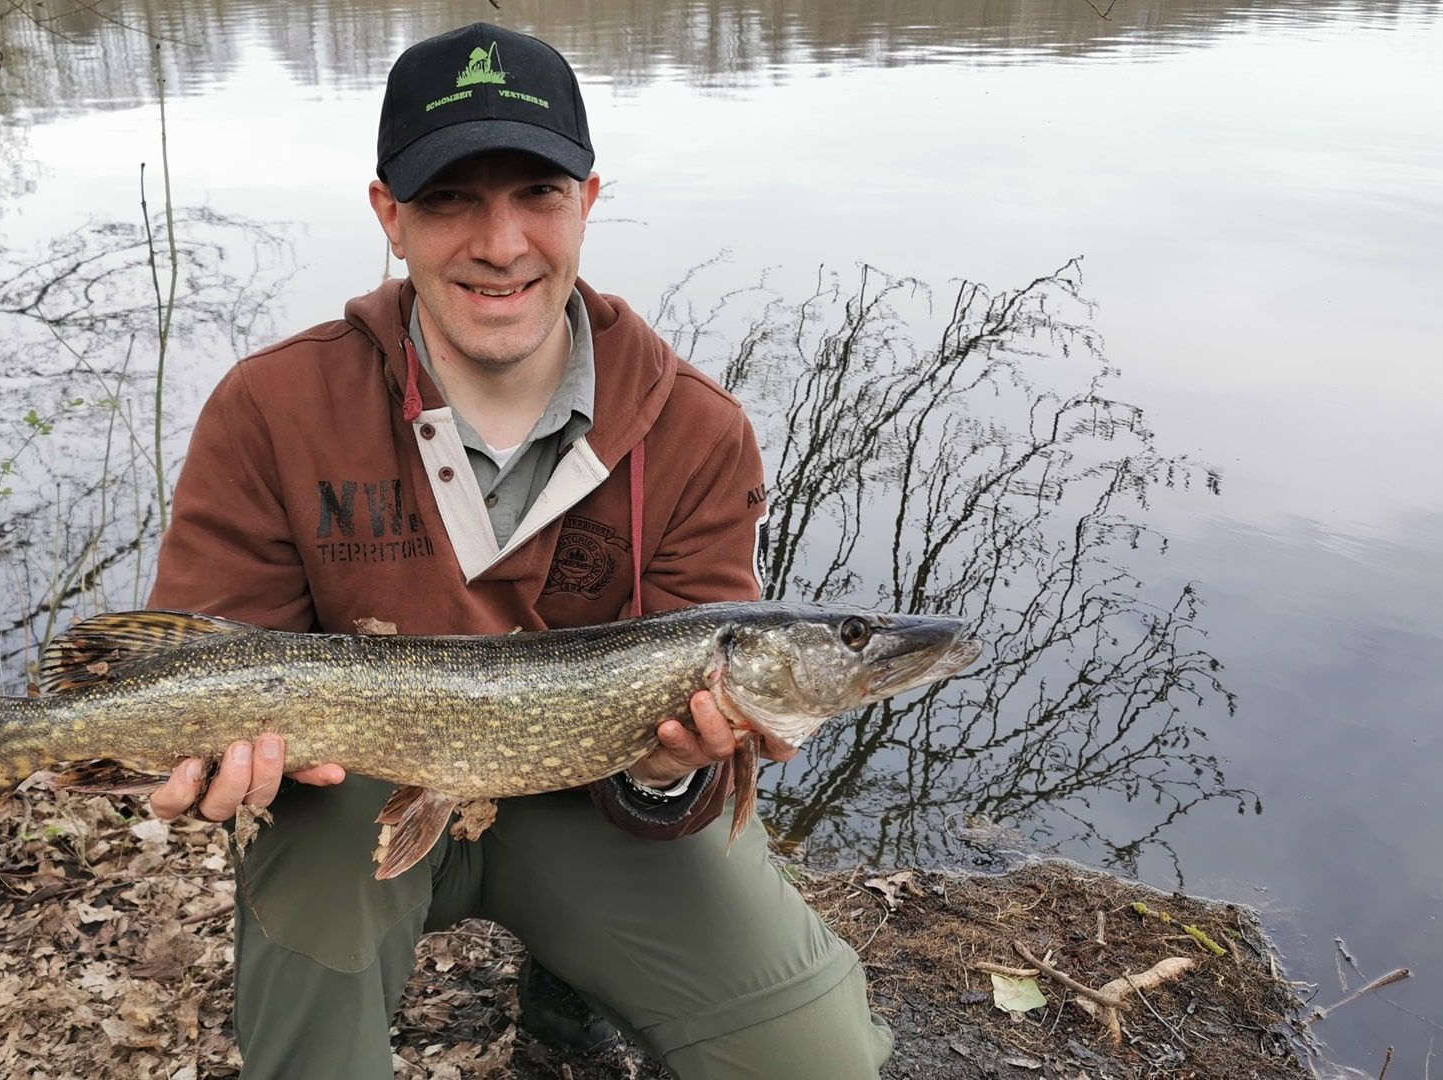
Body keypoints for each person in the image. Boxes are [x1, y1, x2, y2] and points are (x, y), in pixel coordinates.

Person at [141, 22, 894, 1079]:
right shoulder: (272, 406)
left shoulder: (699, 432)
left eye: (536, 193)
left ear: (587, 202)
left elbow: (683, 786)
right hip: (356, 790)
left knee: (817, 1060)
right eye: (450, 199)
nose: (500, 244)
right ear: (388, 217)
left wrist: (676, 771)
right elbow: (210, 651)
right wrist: (208, 763)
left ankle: (569, 971)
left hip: (588, 805)